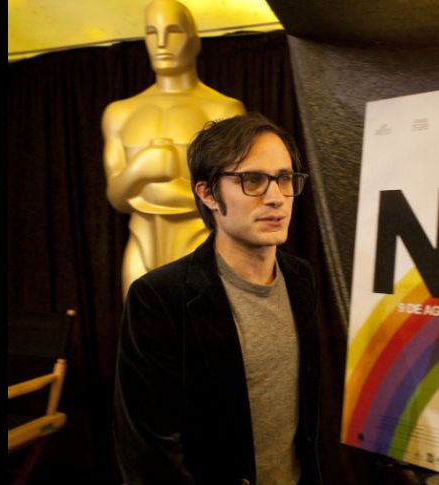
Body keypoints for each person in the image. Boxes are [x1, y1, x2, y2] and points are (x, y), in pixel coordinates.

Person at [113, 112, 321, 485]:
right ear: (208, 193)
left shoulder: (301, 278)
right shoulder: (158, 297)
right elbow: (148, 453)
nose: (276, 197)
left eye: (284, 178)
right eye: (253, 180)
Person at [102, 0, 245, 299]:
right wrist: (140, 169)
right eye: (152, 32)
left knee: (199, 325)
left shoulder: (222, 110)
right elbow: (116, 197)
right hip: (141, 242)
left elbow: (232, 198)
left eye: (173, 31)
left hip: (199, 240)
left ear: (194, 40)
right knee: (140, 324)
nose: (161, 43)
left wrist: (165, 191)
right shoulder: (120, 113)